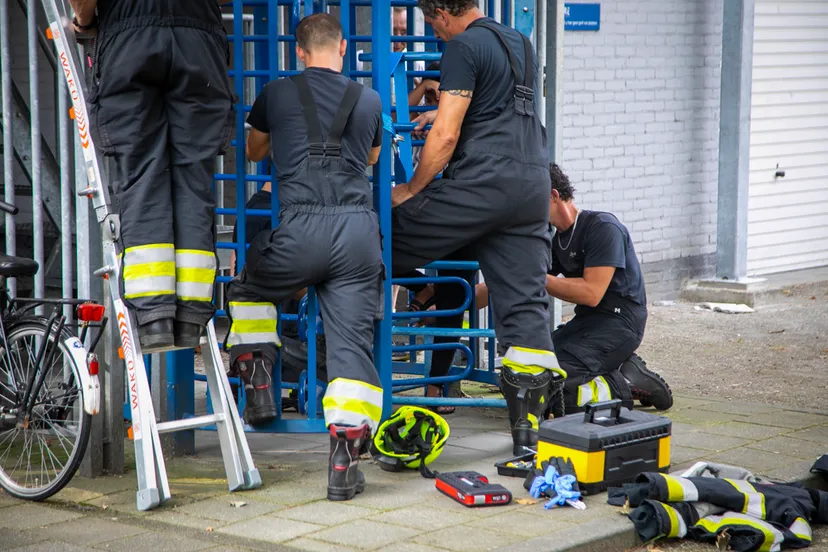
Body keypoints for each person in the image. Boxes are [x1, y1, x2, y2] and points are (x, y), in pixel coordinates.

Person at [391, 0, 564, 455]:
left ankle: (330, 368)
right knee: (525, 307)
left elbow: (446, 135)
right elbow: (498, 111)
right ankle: (527, 441)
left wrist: (412, 187)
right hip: (531, 184)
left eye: (432, 24)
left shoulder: (462, 48)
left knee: (374, 243)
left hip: (483, 183)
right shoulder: (519, 43)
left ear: (442, 15)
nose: (435, 33)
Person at [224, 13, 384, 502]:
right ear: (342, 49)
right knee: (351, 346)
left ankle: (258, 378)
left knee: (249, 288)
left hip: (298, 229)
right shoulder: (369, 99)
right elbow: (373, 160)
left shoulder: (276, 93)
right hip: (357, 234)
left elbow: (253, 152)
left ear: (298, 52)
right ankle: (342, 462)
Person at [70, 0, 234, 350]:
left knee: (144, 173)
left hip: (129, 36)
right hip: (200, 39)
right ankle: (191, 315)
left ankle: (155, 315)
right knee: (193, 179)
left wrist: (85, 24)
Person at [473, 164, 674, 414]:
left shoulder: (602, 227)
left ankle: (625, 383)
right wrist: (449, 307)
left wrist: (533, 275)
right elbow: (510, 280)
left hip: (620, 323)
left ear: (554, 196)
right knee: (519, 378)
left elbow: (591, 293)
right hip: (586, 325)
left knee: (548, 392)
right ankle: (619, 369)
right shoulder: (555, 241)